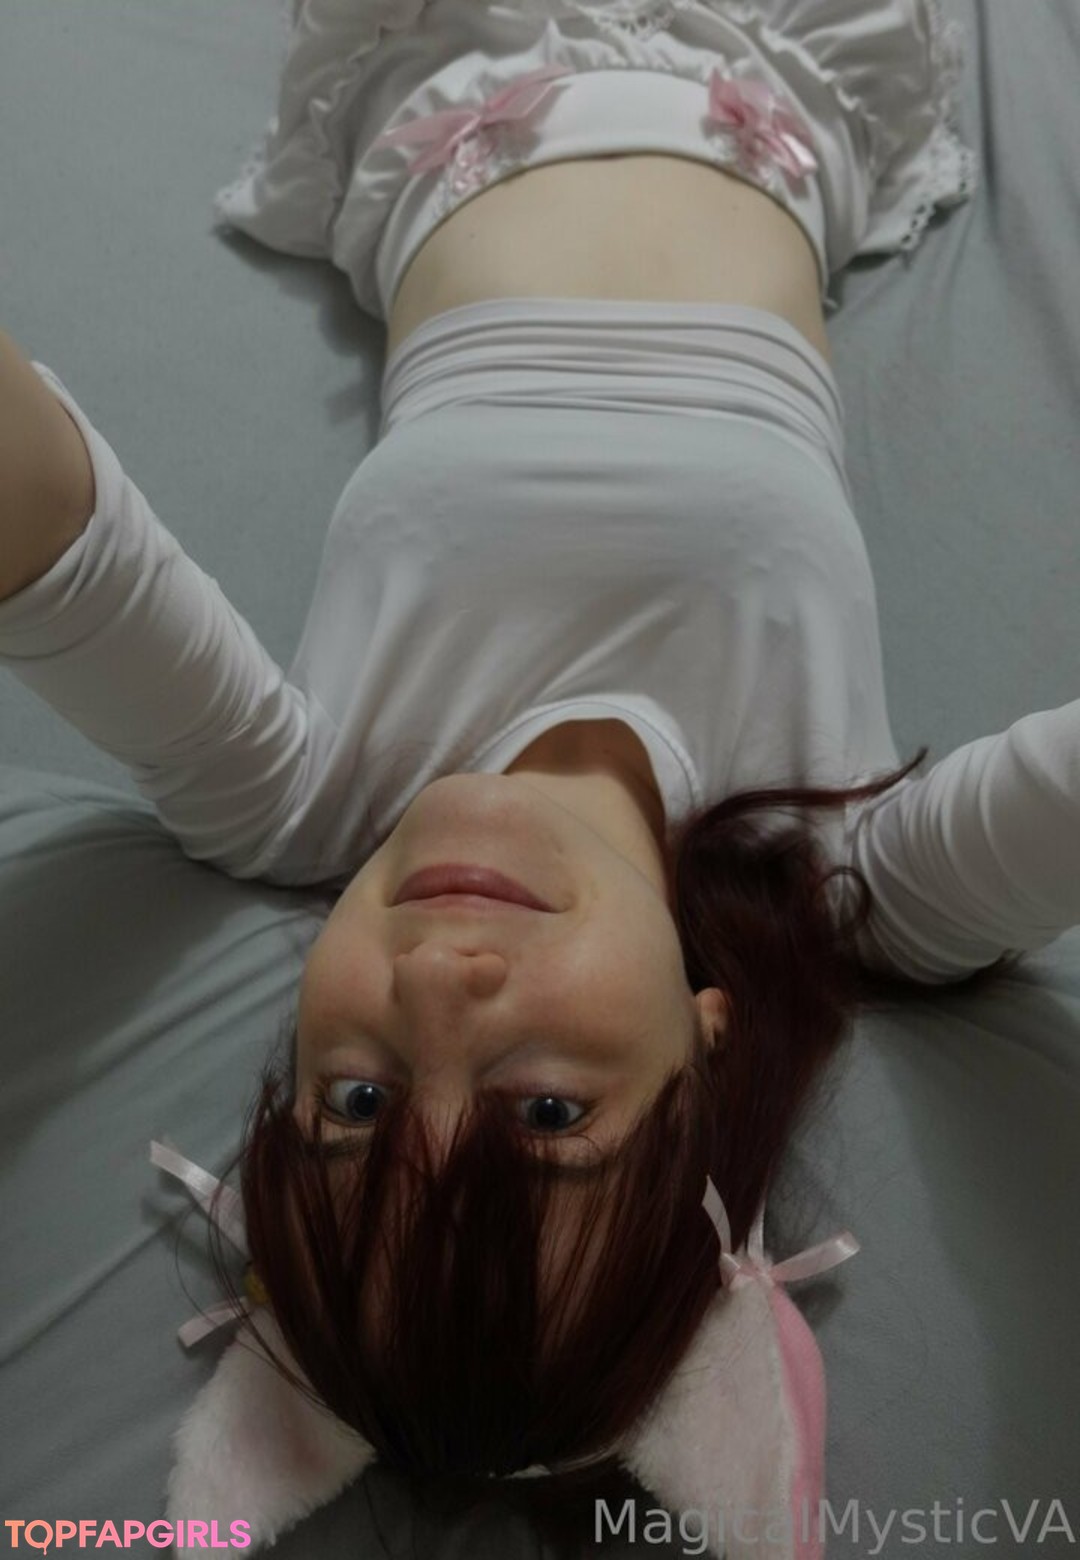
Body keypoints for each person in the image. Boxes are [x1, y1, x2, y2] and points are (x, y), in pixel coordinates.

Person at [3, 0, 1080, 1547]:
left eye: (358, 1099)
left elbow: (49, 536)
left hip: (465, 65)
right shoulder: (859, 876)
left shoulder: (291, 794)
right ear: (705, 1054)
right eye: (550, 1114)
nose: (437, 987)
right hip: (771, 77)